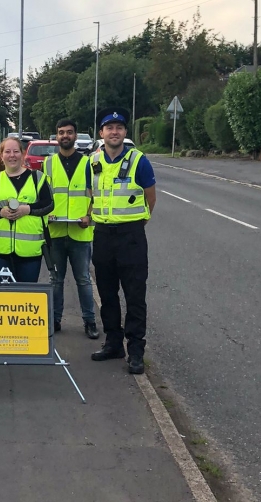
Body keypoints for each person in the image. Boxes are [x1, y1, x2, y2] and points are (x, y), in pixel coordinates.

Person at [89, 107, 157, 375]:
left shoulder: (139, 160)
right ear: (101, 133)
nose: (114, 132)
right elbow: (90, 195)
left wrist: (136, 225)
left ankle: (136, 351)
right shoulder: (92, 162)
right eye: (109, 127)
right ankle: (114, 344)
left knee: (135, 295)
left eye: (119, 127)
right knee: (107, 295)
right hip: (103, 235)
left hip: (131, 236)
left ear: (124, 132)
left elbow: (150, 199)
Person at [43, 119, 99, 339]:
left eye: (69, 132)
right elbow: (42, 196)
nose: (65, 136)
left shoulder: (88, 163)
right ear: (56, 136)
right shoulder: (48, 164)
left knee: (84, 279)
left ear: (76, 136)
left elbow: (97, 194)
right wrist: (47, 214)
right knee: (55, 280)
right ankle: (55, 321)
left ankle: (90, 322)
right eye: (61, 132)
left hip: (80, 231)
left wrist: (89, 216)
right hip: (55, 232)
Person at [0, 136, 54, 283]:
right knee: (4, 299)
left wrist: (27, 209)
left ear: (23, 154)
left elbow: (49, 205)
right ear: (1, 156)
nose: (12, 155)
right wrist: (0, 213)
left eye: (16, 151)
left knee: (26, 298)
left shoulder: (37, 177)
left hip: (29, 250)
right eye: (8, 152)